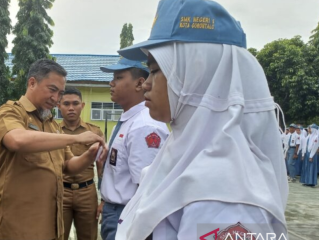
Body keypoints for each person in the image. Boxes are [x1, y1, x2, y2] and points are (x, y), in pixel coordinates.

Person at [115, 0, 288, 239]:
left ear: (196, 75)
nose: (146, 83)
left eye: (155, 70)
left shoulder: (227, 198)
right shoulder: (185, 152)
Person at [0, 59, 107, 240]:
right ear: (32, 83)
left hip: (50, 227)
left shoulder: (52, 125)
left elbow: (69, 165)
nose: (56, 98)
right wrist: (76, 138)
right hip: (16, 229)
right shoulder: (10, 112)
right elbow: (17, 140)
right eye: (52, 90)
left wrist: (90, 155)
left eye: (60, 93)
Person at [97, 57, 170, 240]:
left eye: (119, 77)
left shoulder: (144, 125)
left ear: (139, 83)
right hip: (115, 211)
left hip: (127, 215)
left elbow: (146, 187)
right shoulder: (128, 121)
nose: (111, 83)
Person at [58, 87, 103, 240]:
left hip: (87, 192)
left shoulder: (94, 132)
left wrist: (103, 199)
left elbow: (101, 166)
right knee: (57, 235)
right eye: (66, 104)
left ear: (82, 106)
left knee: (89, 236)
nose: (71, 108)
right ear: (59, 106)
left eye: (75, 103)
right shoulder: (52, 132)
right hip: (60, 192)